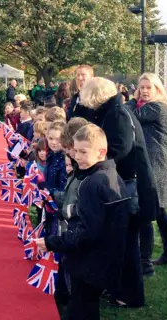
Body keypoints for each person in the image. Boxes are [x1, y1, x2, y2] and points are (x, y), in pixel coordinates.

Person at [37, 124, 130, 320]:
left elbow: (87, 231)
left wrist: (52, 242)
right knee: (87, 305)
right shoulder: (110, 175)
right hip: (105, 258)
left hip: (90, 261)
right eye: (75, 151)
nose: (77, 156)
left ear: (101, 152)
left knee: (80, 307)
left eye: (83, 152)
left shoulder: (93, 183)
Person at [80, 77, 157, 307]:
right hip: (121, 181)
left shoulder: (117, 114)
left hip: (127, 184)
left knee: (127, 242)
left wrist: (96, 161)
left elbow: (120, 148)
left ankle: (130, 294)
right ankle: (118, 288)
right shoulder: (113, 111)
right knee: (119, 240)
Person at [128, 73, 167, 268]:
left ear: (158, 90)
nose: (145, 91)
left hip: (156, 164)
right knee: (160, 212)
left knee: (151, 210)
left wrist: (132, 99)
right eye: (142, 87)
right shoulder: (147, 106)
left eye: (149, 87)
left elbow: (131, 115)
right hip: (151, 162)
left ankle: (146, 258)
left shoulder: (157, 108)